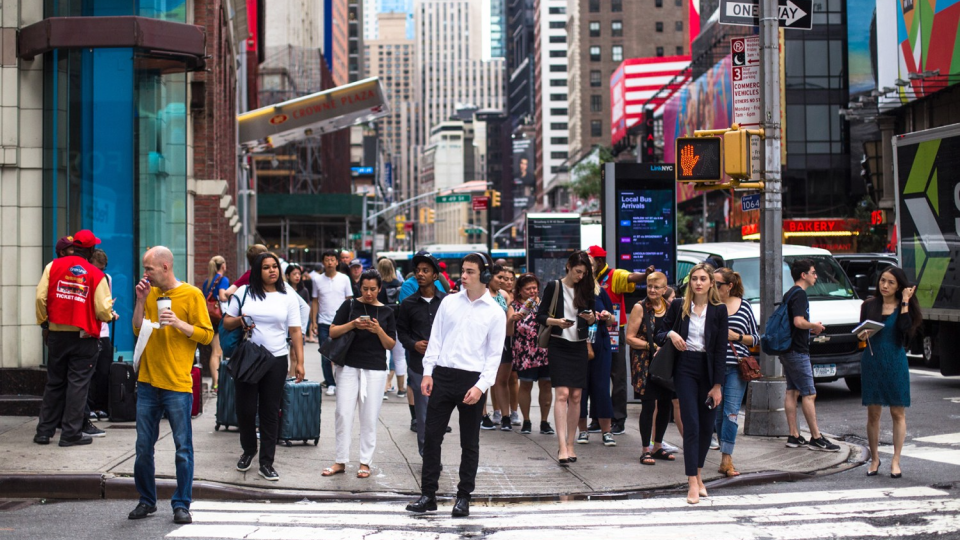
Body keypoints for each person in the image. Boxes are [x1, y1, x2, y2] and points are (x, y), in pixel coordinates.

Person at [406, 253, 506, 518]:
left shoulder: (496, 313)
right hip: (443, 376)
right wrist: (428, 373)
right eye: (462, 270)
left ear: (484, 276)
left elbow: (494, 356)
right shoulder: (449, 302)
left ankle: (464, 497)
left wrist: (481, 386)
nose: (463, 276)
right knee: (432, 438)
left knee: (469, 442)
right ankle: (428, 495)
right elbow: (435, 339)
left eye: (470, 272)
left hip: (472, 381)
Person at [129, 246, 214, 524]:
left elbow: (206, 335)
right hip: (147, 383)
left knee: (182, 447)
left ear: (165, 267)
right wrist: (140, 300)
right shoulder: (149, 292)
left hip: (177, 384)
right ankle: (146, 500)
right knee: (143, 447)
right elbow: (136, 329)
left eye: (149, 268)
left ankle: (181, 504)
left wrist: (178, 323)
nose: (146, 273)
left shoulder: (191, 294)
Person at [223, 252, 304, 482]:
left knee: (270, 412)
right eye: (266, 267)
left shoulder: (288, 294)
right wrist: (241, 320)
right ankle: (249, 450)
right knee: (245, 410)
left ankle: (266, 463)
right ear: (258, 271)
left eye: (275, 266)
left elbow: (295, 330)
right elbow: (227, 322)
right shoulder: (245, 292)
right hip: (249, 358)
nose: (272, 271)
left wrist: (300, 362)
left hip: (276, 360)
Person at [34, 230, 115, 447]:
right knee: (78, 384)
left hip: (57, 335)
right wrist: (109, 314)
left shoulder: (53, 266)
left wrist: (45, 322)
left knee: (54, 382)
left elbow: (41, 297)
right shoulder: (96, 274)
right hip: (83, 336)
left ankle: (44, 432)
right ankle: (71, 433)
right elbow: (103, 311)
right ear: (89, 250)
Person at [656, 263, 727, 505]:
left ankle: (698, 474)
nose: (698, 282)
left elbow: (720, 350)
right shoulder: (678, 306)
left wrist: (718, 385)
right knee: (692, 425)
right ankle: (692, 482)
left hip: (708, 371)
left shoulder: (719, 310)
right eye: (695, 278)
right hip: (685, 367)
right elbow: (659, 333)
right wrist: (671, 334)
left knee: (707, 428)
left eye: (703, 279)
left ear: (710, 284)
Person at [322, 269, 397, 479]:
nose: (369, 293)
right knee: (343, 413)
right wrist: (353, 324)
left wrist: (378, 330)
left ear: (380, 289)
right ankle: (340, 460)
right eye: (365, 289)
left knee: (369, 417)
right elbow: (332, 331)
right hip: (349, 365)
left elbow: (390, 344)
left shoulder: (387, 312)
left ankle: (365, 462)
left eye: (373, 289)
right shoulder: (350, 305)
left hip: (375, 368)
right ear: (359, 287)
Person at [857, 267, 921, 479]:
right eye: (882, 281)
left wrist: (904, 302)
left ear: (900, 287)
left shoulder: (906, 307)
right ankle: (875, 458)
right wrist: (862, 335)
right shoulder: (868, 305)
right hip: (872, 362)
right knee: (873, 413)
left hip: (895, 361)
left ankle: (896, 460)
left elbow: (904, 330)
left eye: (891, 282)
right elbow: (859, 333)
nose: (884, 285)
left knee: (897, 412)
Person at [536, 251, 597, 465]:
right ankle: (562, 445)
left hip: (579, 345)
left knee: (577, 396)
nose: (581, 276)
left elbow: (593, 318)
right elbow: (540, 315)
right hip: (559, 344)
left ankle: (571, 443)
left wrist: (592, 318)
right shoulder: (554, 286)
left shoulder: (586, 288)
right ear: (568, 266)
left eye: (584, 273)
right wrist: (557, 322)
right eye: (578, 271)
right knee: (562, 393)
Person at [586, 245, 654, 435]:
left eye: (590, 262)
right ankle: (597, 418)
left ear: (599, 262)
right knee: (595, 377)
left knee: (617, 377)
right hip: (592, 332)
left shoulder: (614, 276)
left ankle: (618, 418)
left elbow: (631, 277)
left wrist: (645, 274)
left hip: (614, 331)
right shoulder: (587, 279)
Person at [781, 259, 840, 452]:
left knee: (792, 390)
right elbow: (798, 322)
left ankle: (794, 436)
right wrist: (813, 325)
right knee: (809, 393)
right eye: (813, 273)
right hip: (797, 351)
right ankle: (816, 437)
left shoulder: (789, 293)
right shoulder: (800, 295)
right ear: (803, 275)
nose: (816, 276)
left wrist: (810, 329)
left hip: (787, 349)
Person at [397, 252, 447, 454]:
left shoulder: (446, 302)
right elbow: (402, 332)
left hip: (444, 366)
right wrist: (414, 344)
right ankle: (428, 455)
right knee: (423, 413)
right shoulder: (408, 304)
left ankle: (435, 450)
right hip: (418, 364)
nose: (420, 274)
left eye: (425, 271)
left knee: (440, 413)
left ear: (435, 275)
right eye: (417, 271)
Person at [713, 267, 760, 477]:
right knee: (717, 415)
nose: (713, 287)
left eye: (718, 284)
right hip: (712, 366)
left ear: (730, 286)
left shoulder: (744, 306)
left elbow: (757, 338)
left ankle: (727, 459)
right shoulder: (709, 305)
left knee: (730, 413)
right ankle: (724, 455)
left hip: (734, 367)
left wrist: (737, 337)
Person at [625, 271, 676, 466]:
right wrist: (652, 346)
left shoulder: (670, 307)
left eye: (657, 287)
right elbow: (629, 338)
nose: (652, 290)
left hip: (665, 363)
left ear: (665, 289)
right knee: (648, 405)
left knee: (665, 405)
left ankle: (658, 446)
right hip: (645, 363)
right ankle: (645, 449)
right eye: (649, 286)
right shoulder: (640, 307)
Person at [510, 274, 554, 435]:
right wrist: (513, 319)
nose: (532, 291)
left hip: (544, 350)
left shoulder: (544, 305)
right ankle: (526, 420)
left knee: (546, 384)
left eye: (534, 288)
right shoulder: (514, 306)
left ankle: (544, 421)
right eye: (528, 288)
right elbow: (510, 330)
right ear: (520, 291)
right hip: (524, 351)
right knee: (526, 384)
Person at [577, 279, 616, 447]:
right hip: (578, 343)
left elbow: (613, 319)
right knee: (579, 389)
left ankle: (606, 431)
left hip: (600, 343)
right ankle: (582, 430)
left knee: (601, 387)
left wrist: (607, 316)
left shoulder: (600, 291)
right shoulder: (572, 292)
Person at [312, 250, 354, 395]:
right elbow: (315, 301)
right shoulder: (317, 280)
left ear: (337, 262)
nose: (330, 262)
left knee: (343, 353)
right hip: (324, 322)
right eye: (327, 260)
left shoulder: (344, 279)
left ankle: (341, 382)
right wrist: (313, 321)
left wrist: (349, 320)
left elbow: (349, 300)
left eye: (332, 260)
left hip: (342, 323)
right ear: (323, 262)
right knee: (325, 354)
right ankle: (330, 383)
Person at [86, 248, 114, 423]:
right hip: (89, 330)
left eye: (102, 269)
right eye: (97, 268)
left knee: (104, 371)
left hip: (103, 330)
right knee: (90, 372)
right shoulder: (86, 278)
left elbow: (106, 302)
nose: (100, 272)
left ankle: (100, 406)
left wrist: (111, 312)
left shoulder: (106, 279)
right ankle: (88, 407)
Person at [492, 265, 517, 431]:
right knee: (487, 380)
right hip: (486, 342)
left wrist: (514, 318)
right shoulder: (482, 294)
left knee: (503, 379)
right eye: (500, 277)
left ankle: (506, 416)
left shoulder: (504, 295)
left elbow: (509, 324)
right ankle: (486, 415)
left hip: (504, 342)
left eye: (506, 278)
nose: (503, 281)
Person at [378, 258, 407, 397]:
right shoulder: (400, 285)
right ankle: (401, 389)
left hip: (383, 325)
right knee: (400, 358)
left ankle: (383, 389)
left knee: (384, 356)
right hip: (399, 324)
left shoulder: (379, 287)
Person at [201, 256, 230, 393]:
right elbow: (223, 296)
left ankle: (215, 382)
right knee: (217, 352)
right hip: (218, 318)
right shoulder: (223, 280)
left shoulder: (207, 282)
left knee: (214, 352)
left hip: (209, 318)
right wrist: (233, 292)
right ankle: (217, 384)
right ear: (223, 266)